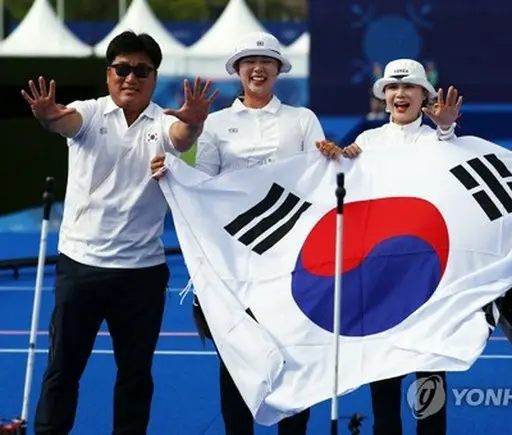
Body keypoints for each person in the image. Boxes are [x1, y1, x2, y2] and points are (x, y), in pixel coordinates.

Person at [20, 30, 217, 435]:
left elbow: (181, 138)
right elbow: (62, 121)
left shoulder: (166, 122)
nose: (131, 77)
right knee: (63, 369)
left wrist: (194, 125)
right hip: (82, 266)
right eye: (122, 68)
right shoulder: (89, 113)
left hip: (141, 272)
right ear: (109, 74)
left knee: (135, 375)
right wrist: (45, 115)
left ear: (153, 77)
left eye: (141, 70)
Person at [151, 31, 327, 435]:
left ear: (279, 70)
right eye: (249, 61)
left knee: (292, 359)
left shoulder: (302, 120)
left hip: (290, 263)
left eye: (266, 62)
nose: (258, 68)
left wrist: (340, 158)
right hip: (233, 264)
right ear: (238, 70)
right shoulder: (215, 123)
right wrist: (174, 173)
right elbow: (204, 185)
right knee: (236, 358)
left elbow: (319, 177)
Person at [317, 58, 462, 435]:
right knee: (384, 373)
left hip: (430, 274)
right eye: (393, 89)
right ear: (383, 97)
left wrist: (445, 128)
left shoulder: (438, 139)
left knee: (430, 372)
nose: (400, 95)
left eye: (409, 88)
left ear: (423, 96)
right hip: (380, 274)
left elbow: (454, 163)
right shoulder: (367, 142)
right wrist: (338, 162)